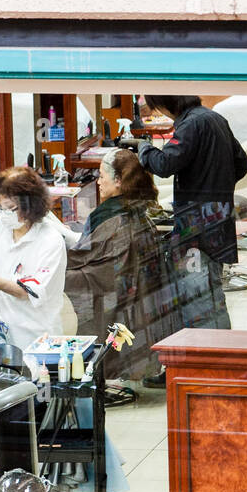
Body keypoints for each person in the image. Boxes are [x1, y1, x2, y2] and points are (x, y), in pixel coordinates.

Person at [137, 94, 247, 350]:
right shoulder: (216, 118)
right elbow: (241, 164)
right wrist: (214, 181)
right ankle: (223, 357)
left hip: (195, 228)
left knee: (195, 296)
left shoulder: (189, 125)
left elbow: (164, 164)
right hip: (219, 222)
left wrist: (144, 149)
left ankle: (201, 363)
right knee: (214, 293)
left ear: (167, 104)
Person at [63, 149, 176, 381]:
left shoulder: (113, 217)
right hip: (131, 286)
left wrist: (58, 251)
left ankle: (84, 364)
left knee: (54, 280)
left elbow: (84, 256)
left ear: (118, 181)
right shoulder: (135, 208)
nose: (98, 181)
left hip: (111, 284)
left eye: (102, 176)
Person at [0, 167, 68, 343]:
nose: (3, 215)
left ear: (30, 206)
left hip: (35, 335)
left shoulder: (50, 241)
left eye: (10, 208)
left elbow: (30, 292)